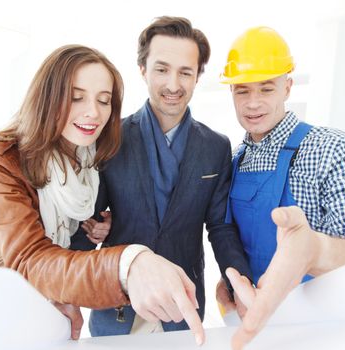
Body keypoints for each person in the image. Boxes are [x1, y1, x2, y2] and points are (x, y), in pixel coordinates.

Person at [0, 44, 205, 345]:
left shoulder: (88, 156)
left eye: (104, 101)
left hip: (50, 309)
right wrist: (129, 263)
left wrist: (105, 226)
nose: (93, 112)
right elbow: (30, 259)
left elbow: (78, 236)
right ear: (48, 96)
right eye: (76, 97)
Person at [215, 26, 345, 349]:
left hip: (322, 333)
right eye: (242, 90)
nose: (253, 103)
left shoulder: (333, 149)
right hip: (254, 330)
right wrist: (229, 284)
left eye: (266, 88)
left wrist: (315, 249)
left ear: (287, 87)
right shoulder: (233, 161)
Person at [74, 16, 252, 337]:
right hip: (117, 300)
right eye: (161, 69)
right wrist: (66, 294)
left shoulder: (216, 146)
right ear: (142, 70)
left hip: (183, 304)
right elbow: (87, 218)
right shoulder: (110, 137)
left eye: (186, 72)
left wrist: (240, 280)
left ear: (198, 76)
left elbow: (220, 227)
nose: (173, 84)